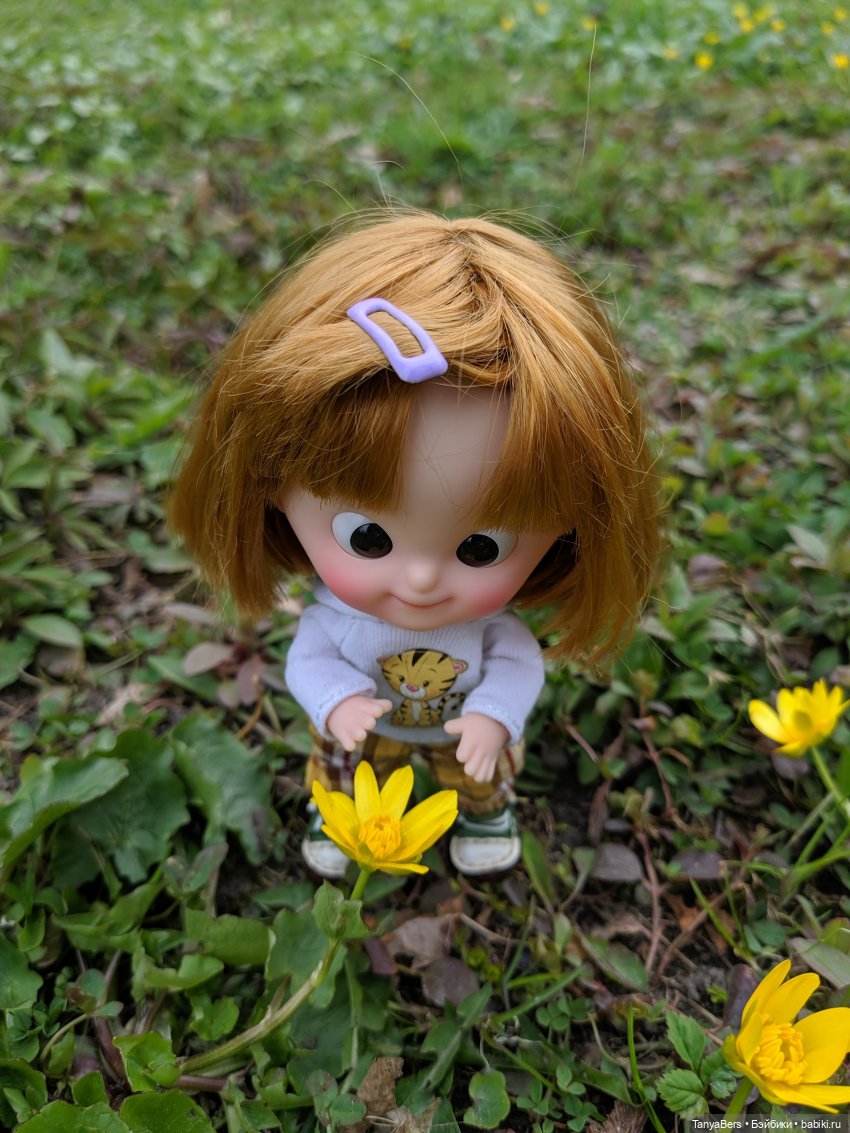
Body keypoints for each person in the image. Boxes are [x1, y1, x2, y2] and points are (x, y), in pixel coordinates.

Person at [169, 212, 659, 878]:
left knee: (476, 774)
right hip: (369, 725)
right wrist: (339, 701)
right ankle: (334, 815)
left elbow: (517, 664)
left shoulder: (487, 626)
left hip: (459, 726)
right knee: (345, 770)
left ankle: (485, 815)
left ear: (573, 525)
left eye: (481, 547)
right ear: (272, 487)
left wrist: (493, 716)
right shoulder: (337, 621)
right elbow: (309, 660)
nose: (422, 578)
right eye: (367, 537)